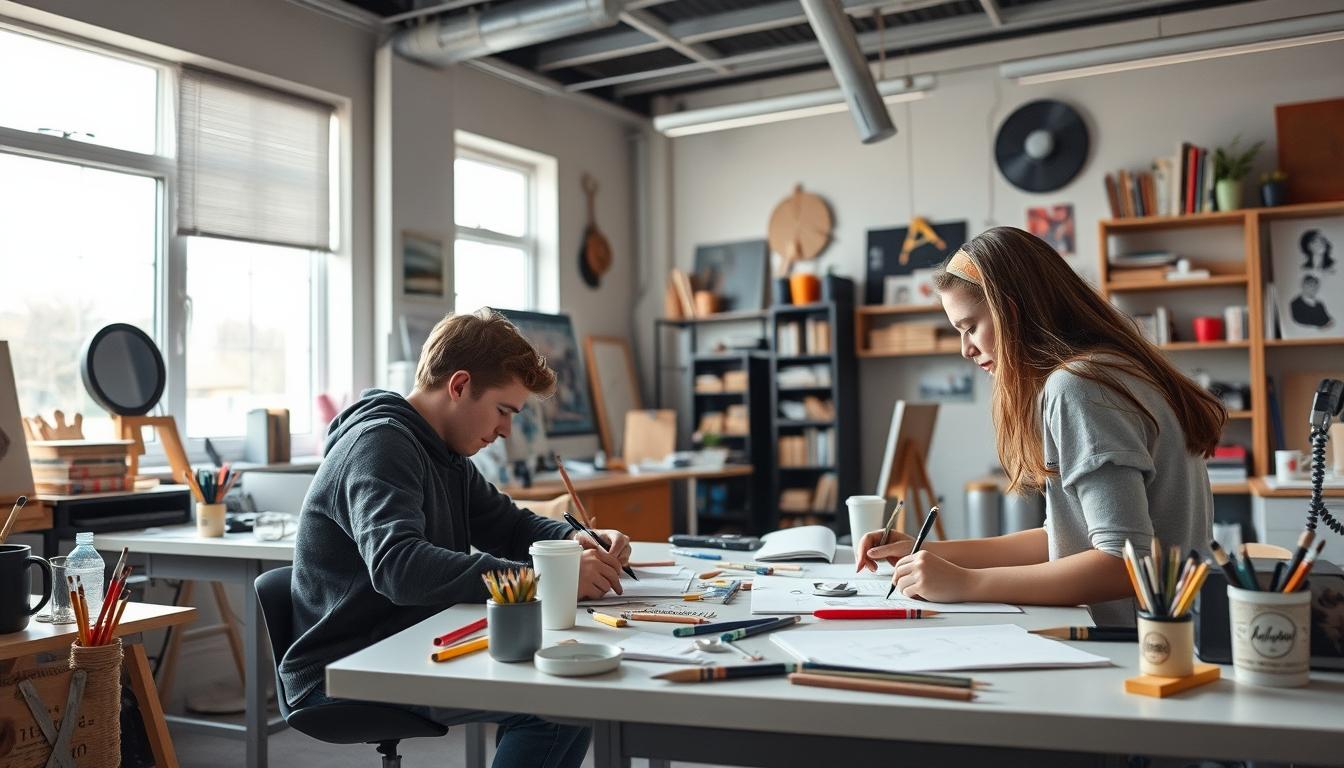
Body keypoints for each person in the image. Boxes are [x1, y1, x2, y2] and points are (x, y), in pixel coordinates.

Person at [281, 309, 633, 768]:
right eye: (503, 410)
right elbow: (400, 569)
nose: (507, 430)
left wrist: (577, 538)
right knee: (554, 705)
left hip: (409, 638)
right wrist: (550, 579)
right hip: (348, 664)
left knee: (571, 693)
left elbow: (509, 526)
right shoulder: (380, 445)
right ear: (460, 385)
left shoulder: (444, 454)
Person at [857, 227, 1224, 626]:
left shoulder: (1080, 386)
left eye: (970, 327)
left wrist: (968, 584)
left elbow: (1122, 562)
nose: (966, 349)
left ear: (1010, 313)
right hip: (1176, 633)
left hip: (1144, 645)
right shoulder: (1112, 369)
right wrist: (932, 553)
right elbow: (1063, 540)